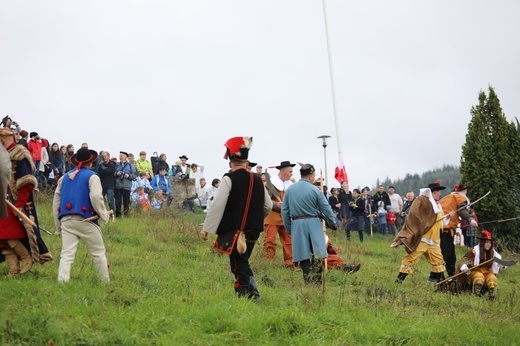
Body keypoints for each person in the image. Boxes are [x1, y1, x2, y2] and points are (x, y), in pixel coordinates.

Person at [201, 136, 272, 301]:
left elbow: (218, 204)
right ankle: (252, 293)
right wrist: (256, 219)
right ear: (246, 161)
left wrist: (206, 228)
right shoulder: (257, 179)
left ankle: (248, 295)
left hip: (235, 229)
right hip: (254, 230)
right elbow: (267, 206)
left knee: (238, 264)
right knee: (243, 261)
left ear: (230, 163)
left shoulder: (229, 178)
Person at [53, 147, 112, 283]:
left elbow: (56, 202)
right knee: (98, 252)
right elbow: (96, 197)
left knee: (67, 254)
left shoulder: (63, 178)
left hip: (66, 220)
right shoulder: (92, 176)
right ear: (90, 163)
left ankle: (62, 282)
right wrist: (104, 215)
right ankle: (105, 282)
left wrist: (58, 226)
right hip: (86, 220)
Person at [0, 128, 52, 276]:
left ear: (3, 138)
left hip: (16, 201)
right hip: (4, 201)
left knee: (9, 233)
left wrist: (20, 204)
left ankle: (26, 257)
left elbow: (27, 182)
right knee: (4, 235)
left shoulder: (20, 154)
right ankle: (13, 270)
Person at [281, 163, 337, 285]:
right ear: (311, 175)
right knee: (317, 252)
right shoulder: (315, 190)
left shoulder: (290, 190)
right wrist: (332, 222)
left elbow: (284, 211)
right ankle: (317, 282)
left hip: (297, 224)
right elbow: (326, 208)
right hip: (313, 223)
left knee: (303, 254)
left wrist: (289, 228)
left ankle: (308, 282)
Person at [391, 182, 447, 284]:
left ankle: (441, 283)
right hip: (423, 238)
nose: (440, 193)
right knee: (411, 258)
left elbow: (441, 221)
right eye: (438, 191)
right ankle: (399, 281)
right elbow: (415, 215)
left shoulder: (438, 205)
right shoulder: (423, 201)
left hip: (434, 239)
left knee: (438, 261)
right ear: (433, 192)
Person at [439, 183, 478, 277]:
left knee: (451, 256)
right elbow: (462, 210)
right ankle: (437, 275)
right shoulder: (460, 197)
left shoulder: (448, 197)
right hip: (445, 229)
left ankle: (451, 275)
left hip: (443, 228)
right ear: (464, 191)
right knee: (445, 254)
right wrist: (470, 219)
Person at [263, 160, 295, 267]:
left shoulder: (290, 185)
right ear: (283, 171)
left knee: (288, 241)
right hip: (272, 216)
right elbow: (265, 200)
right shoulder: (270, 183)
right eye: (290, 171)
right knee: (270, 240)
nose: (292, 174)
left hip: (285, 217)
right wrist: (277, 205)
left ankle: (290, 263)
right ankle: (268, 262)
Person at [456, 230, 503, 299]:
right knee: (479, 276)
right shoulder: (474, 251)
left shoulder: (493, 254)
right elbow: (464, 261)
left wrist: (501, 266)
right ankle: (476, 294)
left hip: (488, 272)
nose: (488, 244)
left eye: (490, 243)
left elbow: (499, 264)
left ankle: (491, 297)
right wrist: (464, 268)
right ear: (482, 242)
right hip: (475, 272)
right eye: (486, 242)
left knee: (492, 278)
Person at [114, 151, 137, 217]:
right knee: (118, 202)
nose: (120, 157)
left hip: (127, 186)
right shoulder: (116, 165)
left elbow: (135, 176)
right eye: (119, 155)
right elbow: (112, 174)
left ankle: (126, 215)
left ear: (126, 157)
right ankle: (118, 216)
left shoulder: (130, 166)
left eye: (122, 155)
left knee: (126, 202)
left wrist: (128, 176)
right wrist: (116, 173)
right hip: (118, 186)